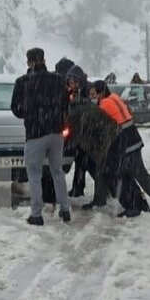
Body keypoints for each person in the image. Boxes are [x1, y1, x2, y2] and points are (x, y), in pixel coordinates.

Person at [11, 48, 71, 225]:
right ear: (44, 59)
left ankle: (36, 214)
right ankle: (65, 210)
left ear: (28, 62)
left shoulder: (22, 82)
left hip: (35, 134)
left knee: (34, 174)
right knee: (57, 171)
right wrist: (54, 116)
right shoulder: (58, 80)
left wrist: (30, 115)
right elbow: (65, 104)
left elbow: (15, 108)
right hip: (56, 132)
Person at [93, 81, 150, 217]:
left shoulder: (104, 104)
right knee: (142, 174)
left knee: (123, 175)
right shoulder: (115, 97)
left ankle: (134, 205)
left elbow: (101, 126)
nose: (94, 97)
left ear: (102, 92)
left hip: (124, 143)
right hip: (134, 137)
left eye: (95, 94)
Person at [65, 64, 92, 197]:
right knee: (80, 162)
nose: (73, 84)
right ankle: (78, 187)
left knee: (87, 163)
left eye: (75, 82)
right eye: (70, 81)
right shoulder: (71, 92)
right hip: (78, 134)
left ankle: (106, 191)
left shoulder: (87, 91)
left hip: (88, 134)